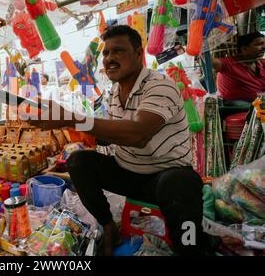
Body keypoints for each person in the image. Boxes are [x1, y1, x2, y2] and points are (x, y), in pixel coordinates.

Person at [25, 25, 211, 256]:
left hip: (164, 178)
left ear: (138, 54)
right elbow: (113, 133)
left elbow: (138, 135)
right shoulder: (114, 93)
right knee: (78, 161)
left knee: (182, 183)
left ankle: (190, 247)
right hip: (127, 173)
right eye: (105, 53)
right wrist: (64, 126)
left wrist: (71, 119)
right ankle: (109, 226)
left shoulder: (160, 86)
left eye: (118, 51)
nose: (109, 59)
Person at [213, 31, 265, 106]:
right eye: (258, 44)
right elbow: (207, 60)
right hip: (236, 106)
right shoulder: (228, 64)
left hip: (259, 103)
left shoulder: (261, 63)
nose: (263, 47)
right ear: (244, 49)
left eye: (264, 43)